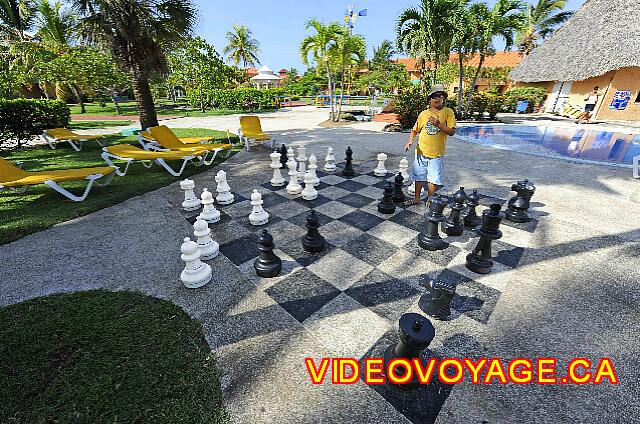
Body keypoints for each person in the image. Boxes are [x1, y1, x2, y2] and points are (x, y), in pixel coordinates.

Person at [404, 83, 456, 206]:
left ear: (444, 98)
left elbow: (452, 131)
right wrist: (411, 140)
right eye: (434, 96)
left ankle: (430, 198)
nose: (436, 99)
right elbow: (415, 129)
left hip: (436, 152)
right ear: (429, 99)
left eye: (439, 96)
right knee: (419, 175)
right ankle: (417, 198)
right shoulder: (423, 114)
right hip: (421, 150)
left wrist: (439, 124)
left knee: (433, 178)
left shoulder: (448, 112)